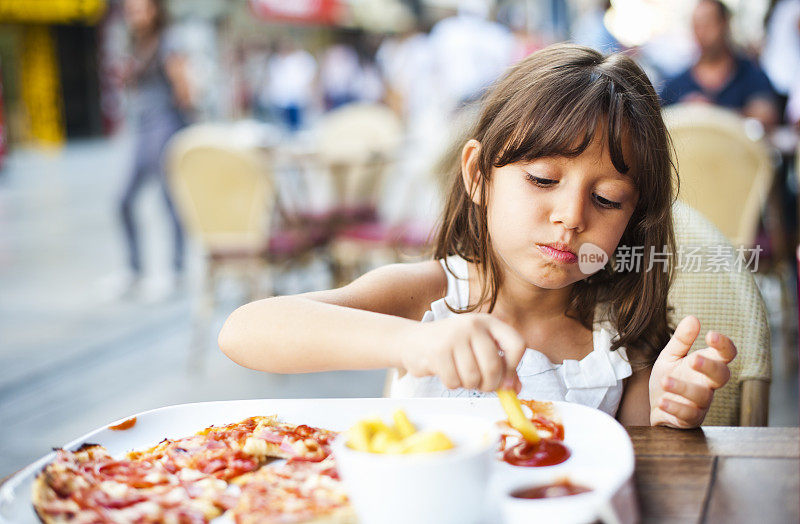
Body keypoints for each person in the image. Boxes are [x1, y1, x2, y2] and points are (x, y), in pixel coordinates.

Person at [219, 44, 737, 429]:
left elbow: (632, 459)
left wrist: (673, 411)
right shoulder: (430, 295)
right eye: (542, 180)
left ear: (633, 218)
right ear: (477, 174)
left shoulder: (620, 334)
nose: (571, 217)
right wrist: (415, 342)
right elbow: (244, 331)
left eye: (606, 200)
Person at [118, 0, 191, 295]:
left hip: (164, 126)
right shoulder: (135, 44)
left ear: (155, 9)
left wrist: (180, 127)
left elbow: (185, 89)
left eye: (139, 7)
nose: (133, 13)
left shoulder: (168, 41)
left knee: (168, 201)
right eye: (129, 8)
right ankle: (134, 270)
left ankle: (176, 272)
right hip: (142, 128)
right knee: (122, 201)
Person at [660, 0, 778, 129]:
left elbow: (765, 118)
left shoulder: (752, 75)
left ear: (725, 24)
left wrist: (713, 114)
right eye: (697, 26)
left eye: (708, 24)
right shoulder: (675, 84)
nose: (702, 32)